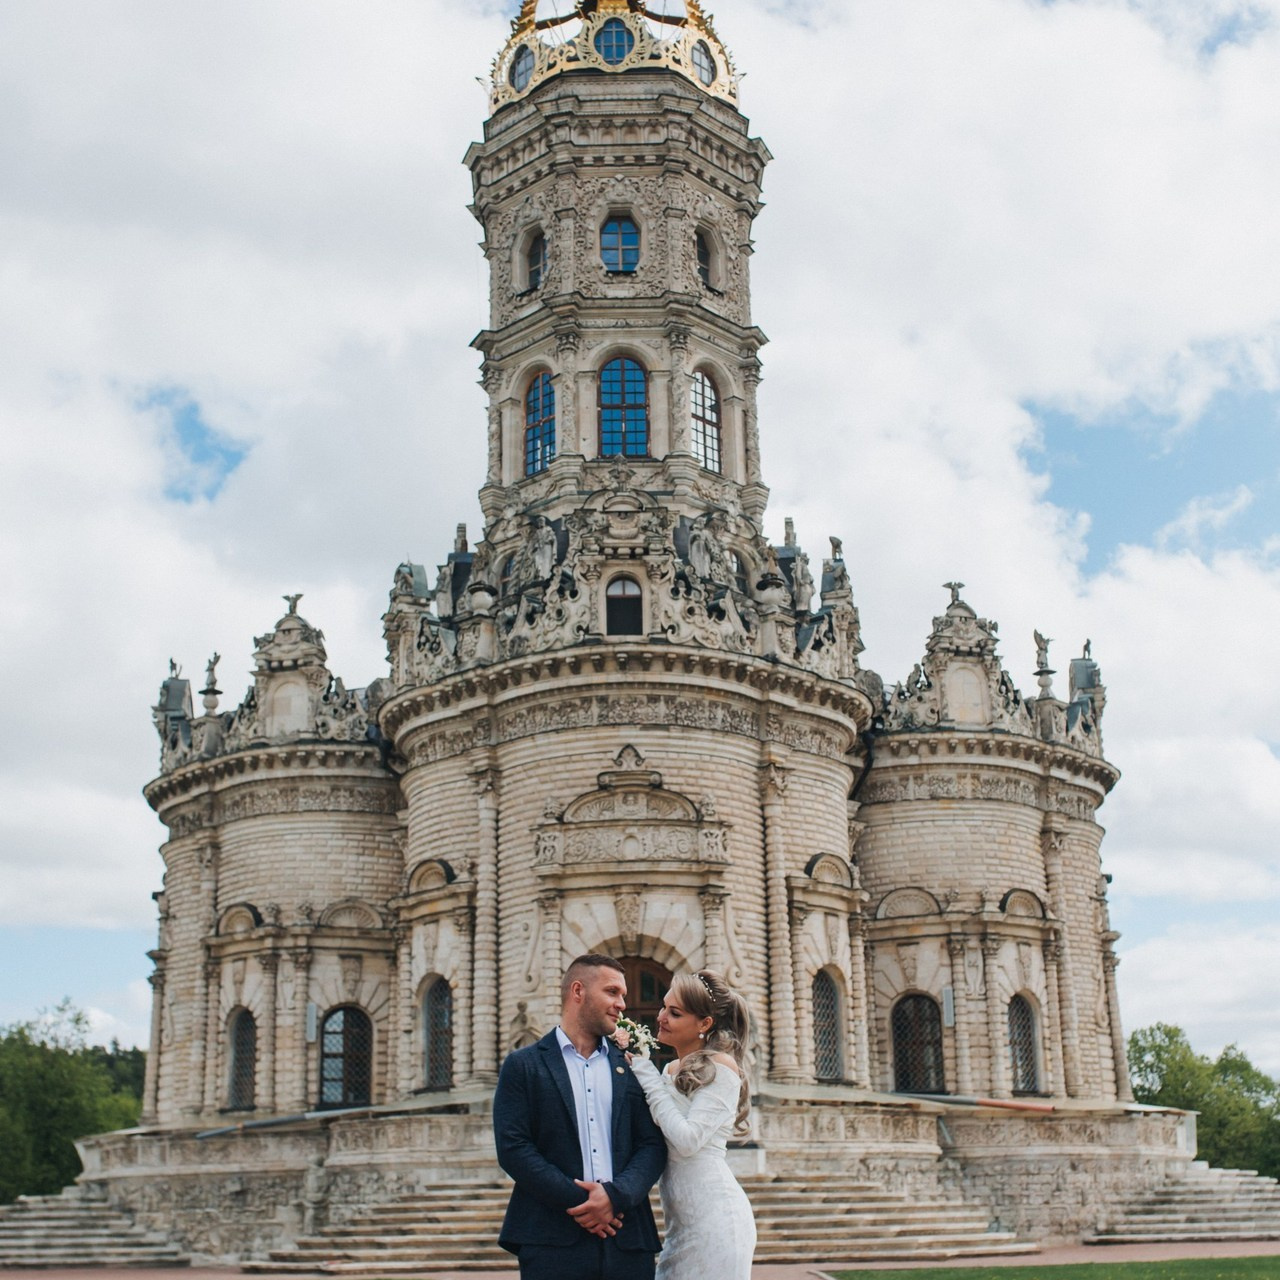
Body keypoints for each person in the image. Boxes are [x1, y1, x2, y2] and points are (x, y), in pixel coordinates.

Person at [494, 954, 667, 1280]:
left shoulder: (632, 1066)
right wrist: (584, 1202)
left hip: (627, 1237)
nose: (622, 1005)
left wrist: (615, 1197)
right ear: (578, 991)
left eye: (624, 996)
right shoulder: (524, 1065)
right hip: (550, 1239)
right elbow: (513, 1147)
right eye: (612, 992)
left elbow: (652, 1144)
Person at [628, 970, 756, 1280]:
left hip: (717, 1220)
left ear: (704, 1024)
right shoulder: (671, 1069)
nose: (661, 1017)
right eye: (663, 1007)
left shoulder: (722, 1067)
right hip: (680, 1225)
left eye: (674, 1012)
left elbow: (687, 1140)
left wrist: (646, 1074)